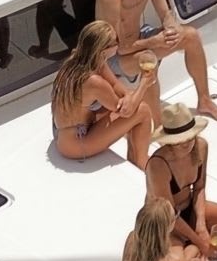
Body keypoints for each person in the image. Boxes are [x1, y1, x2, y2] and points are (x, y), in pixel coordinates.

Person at [97, 0, 217, 123]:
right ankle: (158, 125)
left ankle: (204, 100)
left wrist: (171, 28)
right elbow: (119, 48)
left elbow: (165, 13)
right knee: (147, 60)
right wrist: (155, 41)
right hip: (111, 57)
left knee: (191, 35)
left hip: (139, 38)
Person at [146, 102, 217, 258]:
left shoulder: (201, 146)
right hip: (166, 220)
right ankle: (194, 245)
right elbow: (168, 213)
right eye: (180, 139)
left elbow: (199, 187)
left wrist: (201, 225)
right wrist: (201, 242)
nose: (187, 143)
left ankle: (196, 243)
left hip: (190, 208)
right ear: (169, 140)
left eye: (190, 137)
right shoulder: (158, 165)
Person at [50, 21, 155, 168]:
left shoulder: (80, 59)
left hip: (63, 130)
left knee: (132, 98)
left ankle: (135, 153)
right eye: (115, 42)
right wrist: (144, 83)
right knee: (142, 111)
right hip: (75, 142)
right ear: (103, 50)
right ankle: (140, 159)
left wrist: (129, 96)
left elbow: (115, 85)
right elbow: (125, 111)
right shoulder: (94, 82)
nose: (118, 43)